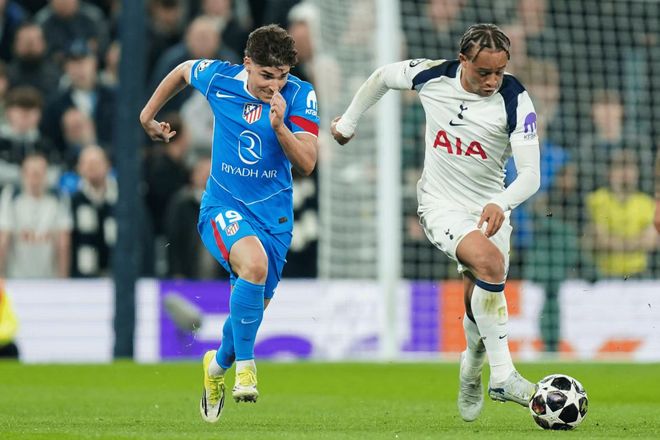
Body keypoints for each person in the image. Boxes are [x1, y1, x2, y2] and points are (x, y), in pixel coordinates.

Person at [331, 23, 540, 422]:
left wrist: (501, 201)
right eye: (484, 72)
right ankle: (503, 375)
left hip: (491, 208)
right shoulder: (432, 76)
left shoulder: (515, 98)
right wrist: (348, 123)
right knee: (490, 265)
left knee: (479, 302)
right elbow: (383, 77)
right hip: (440, 205)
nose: (492, 81)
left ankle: (471, 367)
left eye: (499, 72)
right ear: (463, 61)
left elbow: (531, 174)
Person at [140, 24, 319, 423]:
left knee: (248, 314)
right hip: (222, 206)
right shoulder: (221, 78)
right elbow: (183, 70)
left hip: (274, 220)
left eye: (282, 76)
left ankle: (216, 366)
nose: (275, 85)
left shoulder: (300, 95)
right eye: (266, 75)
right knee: (253, 265)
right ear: (247, 63)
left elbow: (307, 162)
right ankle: (246, 372)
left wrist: (280, 127)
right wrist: (147, 115)